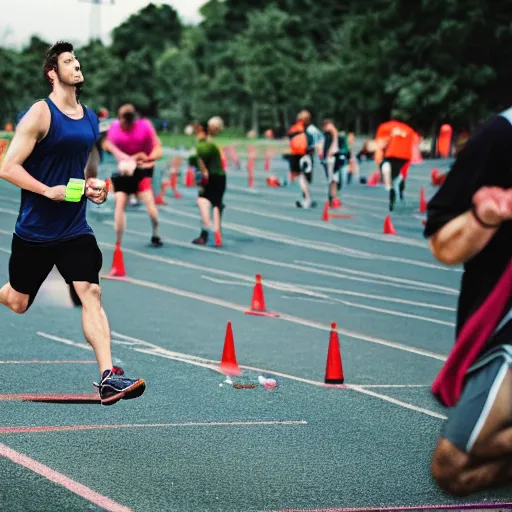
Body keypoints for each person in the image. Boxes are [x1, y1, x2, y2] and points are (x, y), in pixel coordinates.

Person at [0, 41, 145, 406]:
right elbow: (8, 167)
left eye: (76, 59)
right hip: (35, 230)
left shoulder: (91, 117)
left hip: (74, 227)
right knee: (17, 302)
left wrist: (94, 187)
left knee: (91, 293)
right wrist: (46, 191)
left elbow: (84, 166)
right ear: (53, 72)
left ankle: (109, 377)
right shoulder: (40, 114)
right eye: (68, 61)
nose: (76, 64)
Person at [424, 107, 512, 496]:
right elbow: (443, 245)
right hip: (500, 321)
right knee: (453, 469)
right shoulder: (501, 136)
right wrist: (484, 219)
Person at [102, 104, 163, 249]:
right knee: (120, 203)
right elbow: (106, 145)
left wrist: (146, 159)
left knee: (148, 202)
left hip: (140, 171)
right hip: (125, 173)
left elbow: (157, 148)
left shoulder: (143, 127)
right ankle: (119, 240)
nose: (127, 124)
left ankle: (155, 233)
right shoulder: (116, 128)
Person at [190, 117, 226, 247]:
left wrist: (201, 173)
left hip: (208, 175)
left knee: (203, 201)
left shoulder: (203, 144)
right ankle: (217, 232)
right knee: (217, 204)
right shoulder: (215, 144)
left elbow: (197, 160)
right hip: (220, 175)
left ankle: (205, 232)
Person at [375, 120, 415, 211]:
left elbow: (380, 144)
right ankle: (399, 191)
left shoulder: (386, 128)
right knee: (399, 175)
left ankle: (392, 191)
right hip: (404, 157)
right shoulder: (408, 130)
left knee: (391, 176)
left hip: (392, 156)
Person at [288, 110, 322, 209]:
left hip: (295, 154)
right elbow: (319, 140)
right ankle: (307, 198)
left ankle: (306, 197)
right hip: (306, 154)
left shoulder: (294, 128)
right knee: (305, 177)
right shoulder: (311, 129)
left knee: (300, 176)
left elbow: (290, 141)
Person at [321, 119, 344, 207]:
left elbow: (334, 141)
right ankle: (332, 197)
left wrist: (332, 150)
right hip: (329, 158)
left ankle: (333, 197)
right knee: (332, 178)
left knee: (333, 178)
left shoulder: (332, 132)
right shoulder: (328, 134)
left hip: (332, 157)